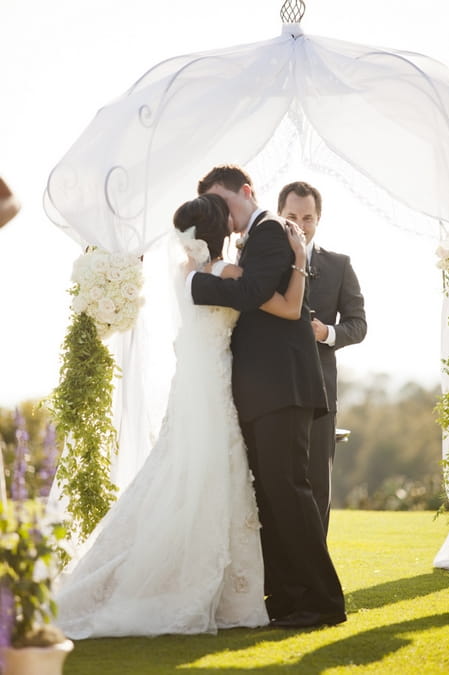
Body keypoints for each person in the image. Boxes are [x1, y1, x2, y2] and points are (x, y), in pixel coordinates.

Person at [54, 193, 307, 638]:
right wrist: (299, 259)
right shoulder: (227, 273)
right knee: (213, 474)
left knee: (186, 471)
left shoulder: (184, 274)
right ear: (217, 230)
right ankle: (219, 591)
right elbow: (283, 305)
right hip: (212, 382)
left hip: (195, 379)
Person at [191, 165, 346, 629]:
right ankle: (286, 601)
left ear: (247, 192)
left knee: (291, 494)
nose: (224, 214)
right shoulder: (256, 238)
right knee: (275, 500)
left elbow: (258, 292)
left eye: (225, 203)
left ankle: (321, 602)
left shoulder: (271, 230)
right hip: (263, 389)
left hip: (283, 387)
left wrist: (195, 283)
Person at [278, 181, 367, 534]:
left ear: (319, 218)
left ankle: (316, 578)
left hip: (321, 391)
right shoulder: (262, 260)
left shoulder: (340, 264)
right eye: (291, 216)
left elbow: (358, 324)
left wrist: (327, 332)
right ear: (279, 214)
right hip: (272, 390)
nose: (300, 224)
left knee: (317, 487)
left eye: (308, 217)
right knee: (275, 485)